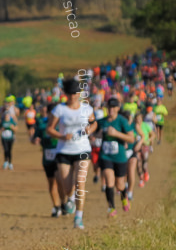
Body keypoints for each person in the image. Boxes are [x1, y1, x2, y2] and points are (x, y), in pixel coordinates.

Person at [46, 78, 96, 230]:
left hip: (82, 149)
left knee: (80, 182)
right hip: (64, 150)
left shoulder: (86, 109)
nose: (73, 97)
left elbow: (94, 122)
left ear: (79, 94)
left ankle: (79, 217)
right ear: (65, 94)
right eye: (70, 94)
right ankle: (71, 199)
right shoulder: (59, 110)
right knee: (68, 188)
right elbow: (49, 129)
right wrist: (61, 136)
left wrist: (90, 129)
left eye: (75, 93)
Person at [94, 98, 135, 217]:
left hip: (120, 157)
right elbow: (93, 132)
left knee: (120, 184)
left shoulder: (122, 121)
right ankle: (111, 208)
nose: (110, 110)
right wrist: (94, 134)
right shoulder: (101, 121)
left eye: (113, 107)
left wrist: (116, 134)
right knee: (109, 182)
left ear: (118, 108)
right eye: (109, 107)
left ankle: (124, 196)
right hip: (106, 156)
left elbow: (131, 138)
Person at [32, 102, 63, 217]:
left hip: (61, 156)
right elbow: (34, 137)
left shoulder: (62, 124)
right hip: (48, 158)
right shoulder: (42, 125)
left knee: (61, 181)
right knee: (52, 183)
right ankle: (56, 206)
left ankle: (64, 202)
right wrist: (35, 140)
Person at [0, 96, 18, 170]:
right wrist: (2, 129)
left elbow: (16, 128)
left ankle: (10, 163)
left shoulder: (11, 121)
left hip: (10, 137)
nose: (6, 116)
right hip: (4, 137)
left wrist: (13, 128)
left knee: (9, 150)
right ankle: (5, 162)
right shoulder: (3, 121)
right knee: (5, 150)